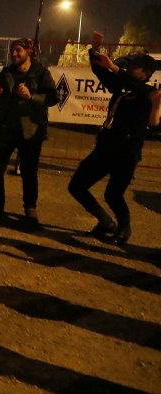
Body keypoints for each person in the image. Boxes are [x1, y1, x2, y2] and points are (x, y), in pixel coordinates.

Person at [68, 38, 159, 245]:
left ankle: (124, 228)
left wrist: (115, 68)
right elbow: (100, 72)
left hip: (126, 153)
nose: (130, 68)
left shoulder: (148, 93)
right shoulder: (122, 88)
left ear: (145, 73)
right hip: (106, 147)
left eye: (135, 66)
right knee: (77, 186)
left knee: (113, 194)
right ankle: (105, 222)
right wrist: (94, 50)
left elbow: (136, 87)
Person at [0, 37, 59, 226]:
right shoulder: (6, 72)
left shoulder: (41, 73)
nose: (14, 54)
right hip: (5, 128)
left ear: (29, 52)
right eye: (12, 50)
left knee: (29, 172)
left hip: (30, 130)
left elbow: (53, 98)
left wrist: (31, 96)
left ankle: (30, 208)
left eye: (18, 50)